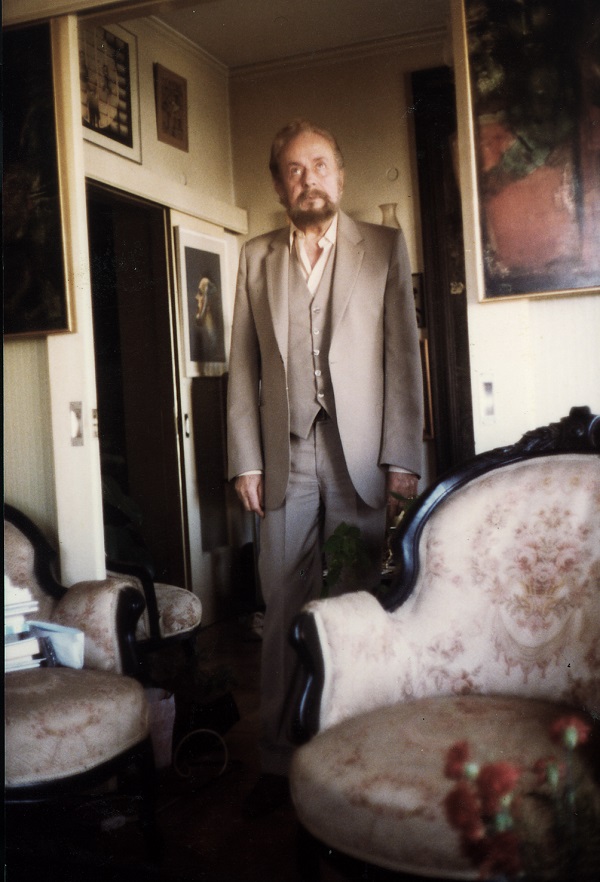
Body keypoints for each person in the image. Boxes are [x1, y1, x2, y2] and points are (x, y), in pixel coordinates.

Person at [227, 119, 423, 817]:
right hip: (285, 457)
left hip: (360, 458)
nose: (307, 179)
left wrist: (403, 455)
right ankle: (278, 759)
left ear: (341, 174)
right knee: (282, 600)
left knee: (354, 596)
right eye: (293, 169)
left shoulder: (385, 247)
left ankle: (353, 748)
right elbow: (242, 366)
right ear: (279, 184)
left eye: (318, 165)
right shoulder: (256, 257)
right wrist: (245, 461)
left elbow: (403, 357)